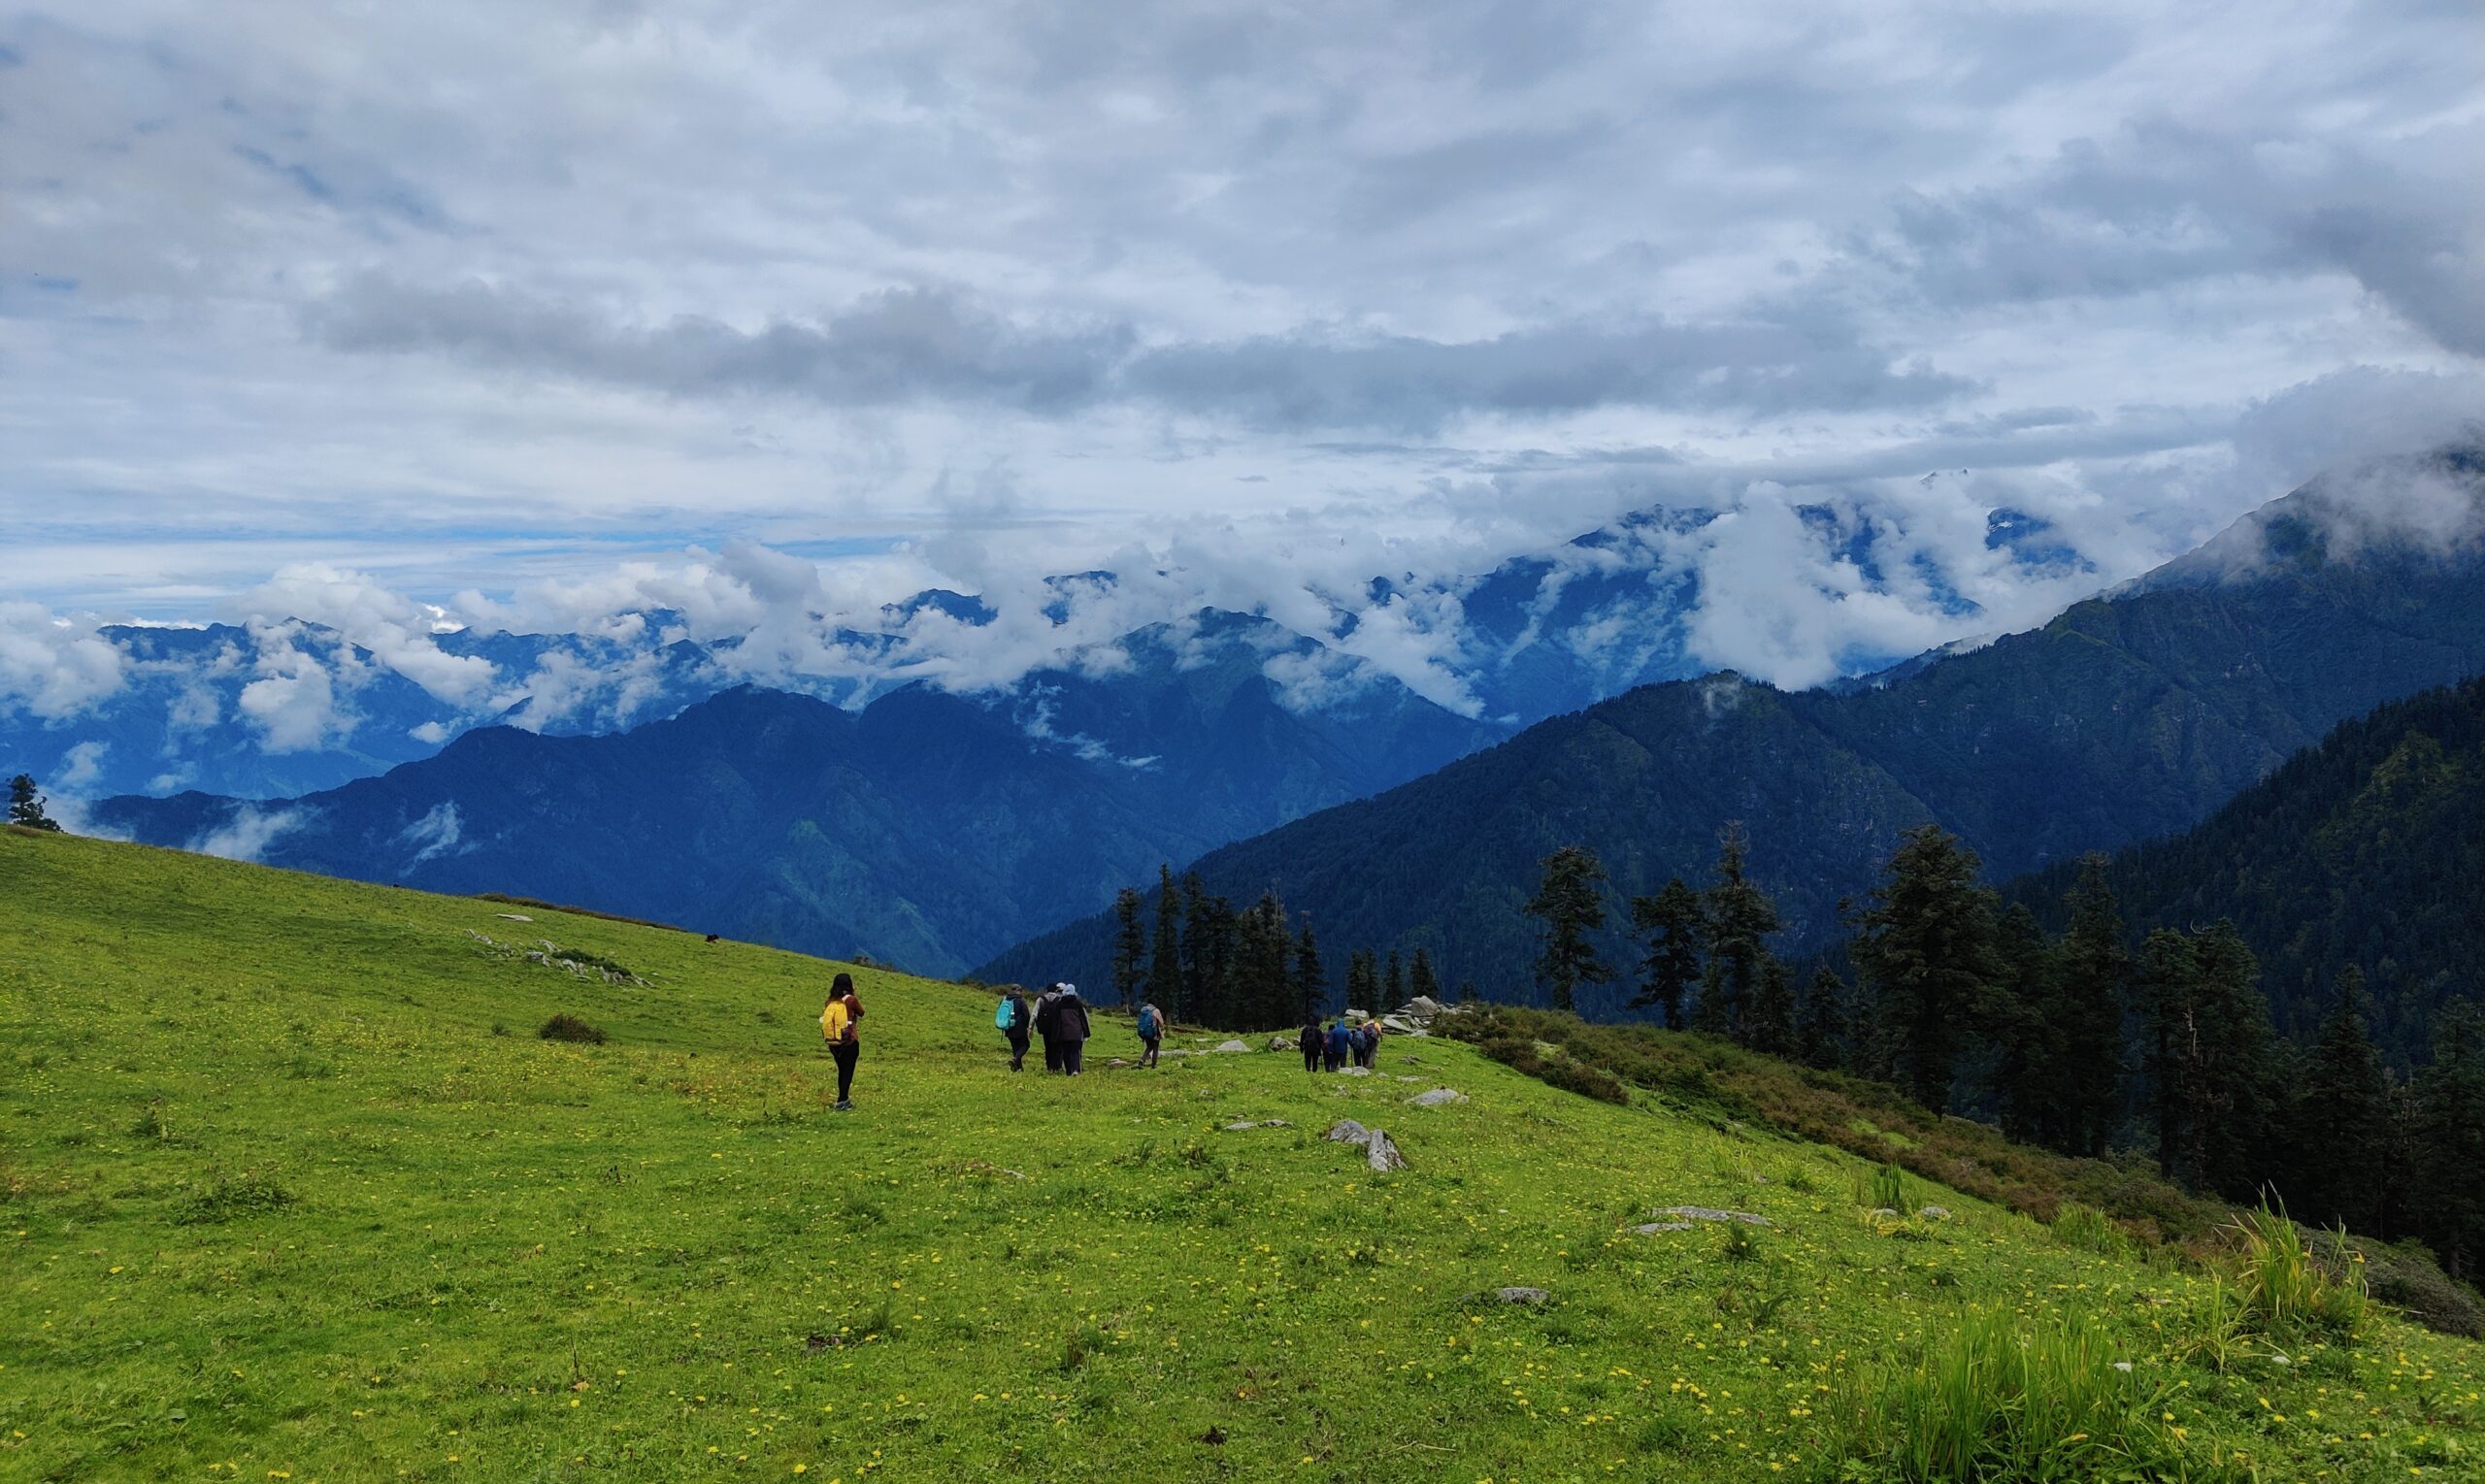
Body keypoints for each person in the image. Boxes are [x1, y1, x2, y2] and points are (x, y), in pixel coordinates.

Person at [820, 971, 864, 1110]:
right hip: (850, 1041)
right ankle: (842, 1101)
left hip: (834, 1043)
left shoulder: (830, 1001)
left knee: (842, 1070)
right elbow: (861, 1012)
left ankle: (843, 1099)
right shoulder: (851, 999)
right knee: (848, 1071)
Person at [1055, 983, 1092, 1075]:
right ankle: (1075, 1070)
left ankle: (1068, 1071)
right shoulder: (1078, 1004)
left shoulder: (1059, 1004)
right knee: (1075, 1052)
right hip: (1076, 1032)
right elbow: (1083, 1019)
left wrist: (1055, 1034)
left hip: (1064, 1033)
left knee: (1066, 1053)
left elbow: (1056, 1020)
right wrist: (1086, 1033)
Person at [997, 984, 1033, 1071]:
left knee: (1015, 1047)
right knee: (1025, 1045)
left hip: (1008, 1027)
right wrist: (1026, 1026)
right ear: (1018, 990)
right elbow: (1026, 1015)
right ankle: (1015, 1060)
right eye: (1020, 990)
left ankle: (1018, 1068)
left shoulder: (1004, 999)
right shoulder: (1021, 1000)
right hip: (1019, 1028)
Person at [1034, 983, 1065, 1072]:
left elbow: (1034, 1014)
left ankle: (1049, 1066)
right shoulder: (1059, 1000)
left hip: (1045, 1029)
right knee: (1056, 1048)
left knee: (1048, 1048)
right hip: (1056, 1028)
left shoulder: (1041, 999)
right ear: (1055, 990)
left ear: (1047, 990)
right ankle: (1056, 1067)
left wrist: (1030, 1028)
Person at [1136, 999, 1167, 1069]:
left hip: (1145, 1032)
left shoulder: (1143, 1010)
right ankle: (1154, 1065)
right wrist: (1162, 1028)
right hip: (1154, 1033)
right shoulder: (1156, 1011)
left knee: (1149, 1047)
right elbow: (1161, 1022)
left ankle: (1142, 1060)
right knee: (1155, 1048)